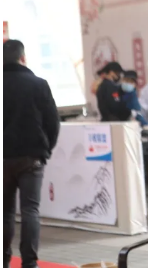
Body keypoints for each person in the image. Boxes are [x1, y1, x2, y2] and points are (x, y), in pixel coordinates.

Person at [3, 40, 59, 268]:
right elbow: (53, 123)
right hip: (31, 157)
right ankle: (29, 263)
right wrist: (45, 149)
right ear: (23, 58)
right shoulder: (39, 84)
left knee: (4, 212)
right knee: (30, 210)